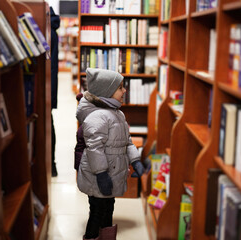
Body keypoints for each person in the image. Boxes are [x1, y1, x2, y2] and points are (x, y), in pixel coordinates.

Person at [76, 68, 145, 240]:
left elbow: (127, 141)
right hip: (98, 177)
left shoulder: (118, 114)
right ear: (107, 91)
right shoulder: (97, 117)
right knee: (97, 212)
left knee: (108, 209)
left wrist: (135, 160)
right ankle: (92, 236)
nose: (124, 90)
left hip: (112, 174)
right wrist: (101, 174)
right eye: (120, 87)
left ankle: (107, 236)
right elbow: (94, 147)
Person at [50, 7, 60, 177]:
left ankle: (51, 163)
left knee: (47, 125)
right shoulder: (52, 31)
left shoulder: (48, 32)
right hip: (49, 87)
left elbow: (50, 68)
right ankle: (51, 164)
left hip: (46, 87)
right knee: (48, 124)